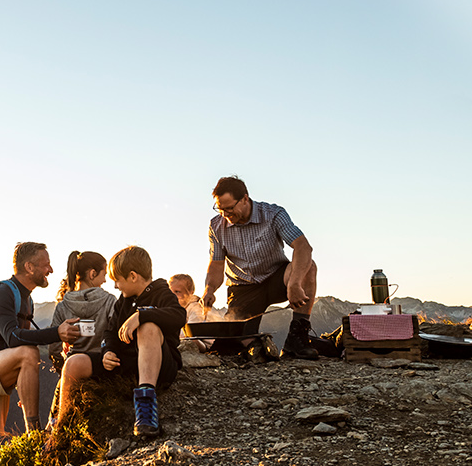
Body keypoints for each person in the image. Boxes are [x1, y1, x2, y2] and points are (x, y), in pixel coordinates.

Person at [0, 242, 81, 466]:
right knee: (28, 353)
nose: (51, 270)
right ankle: (34, 435)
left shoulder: (26, 299)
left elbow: (17, 347)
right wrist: (58, 333)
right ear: (29, 266)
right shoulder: (1, 292)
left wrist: (23, 383)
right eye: (46, 265)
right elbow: (14, 339)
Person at [49, 246, 185, 439]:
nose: (115, 286)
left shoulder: (162, 293)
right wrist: (108, 351)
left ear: (133, 276)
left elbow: (179, 316)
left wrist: (142, 316)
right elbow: (110, 332)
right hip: (126, 364)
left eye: (117, 281)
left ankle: (146, 409)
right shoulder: (123, 301)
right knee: (73, 363)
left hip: (159, 366)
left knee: (148, 327)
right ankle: (61, 426)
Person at [200, 176, 320, 359]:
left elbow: (303, 247)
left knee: (309, 267)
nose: (225, 214)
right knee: (231, 346)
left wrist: (295, 283)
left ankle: (297, 339)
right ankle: (254, 344)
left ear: (245, 199)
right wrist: (209, 289)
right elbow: (216, 264)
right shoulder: (216, 226)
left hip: (276, 278)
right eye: (220, 208)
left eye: (230, 208)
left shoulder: (273, 214)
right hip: (242, 288)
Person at [50, 251, 117, 362]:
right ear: (93, 274)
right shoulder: (110, 301)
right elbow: (115, 334)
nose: (105, 280)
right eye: (104, 274)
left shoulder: (62, 306)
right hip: (102, 365)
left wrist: (62, 367)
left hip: (73, 366)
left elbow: (54, 348)